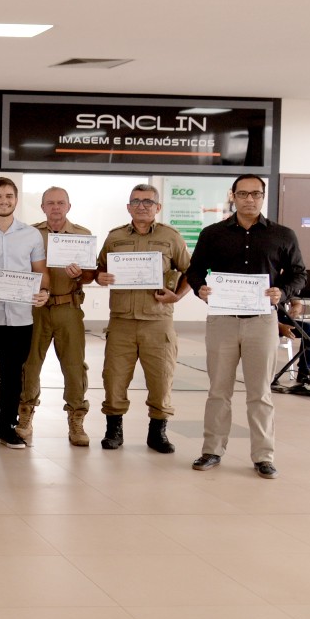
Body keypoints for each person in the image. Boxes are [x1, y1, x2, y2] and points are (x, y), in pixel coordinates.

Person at [186, 174, 305, 479]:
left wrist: (284, 293)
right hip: (222, 321)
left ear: (263, 197)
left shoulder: (283, 235)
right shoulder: (212, 234)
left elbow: (298, 274)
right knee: (218, 390)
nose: (249, 199)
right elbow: (195, 270)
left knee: (260, 393)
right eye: (243, 194)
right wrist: (200, 288)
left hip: (262, 322)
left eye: (255, 194)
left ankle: (263, 456)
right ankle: (212, 450)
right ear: (233, 197)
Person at [94, 183, 191, 453]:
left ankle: (157, 433)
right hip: (121, 321)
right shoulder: (114, 238)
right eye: (136, 201)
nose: (142, 206)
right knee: (114, 379)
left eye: (148, 202)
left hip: (158, 322)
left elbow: (191, 271)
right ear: (128, 207)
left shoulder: (171, 237)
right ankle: (114, 430)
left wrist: (177, 295)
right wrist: (100, 277)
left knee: (161, 379)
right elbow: (100, 268)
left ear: (158, 207)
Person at [0, 177, 49, 449]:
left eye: (8, 196)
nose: (3, 201)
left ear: (16, 199)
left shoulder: (31, 235)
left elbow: (41, 273)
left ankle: (5, 427)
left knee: (12, 375)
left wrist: (44, 292)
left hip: (19, 317)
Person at [18, 187, 97, 446]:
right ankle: (25, 416)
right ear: (42, 207)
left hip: (68, 307)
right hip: (35, 308)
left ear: (68, 206)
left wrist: (79, 275)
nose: (55, 208)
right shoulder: (30, 234)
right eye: (50, 203)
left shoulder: (82, 236)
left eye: (60, 203)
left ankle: (76, 420)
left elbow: (90, 275)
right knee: (29, 364)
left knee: (74, 366)